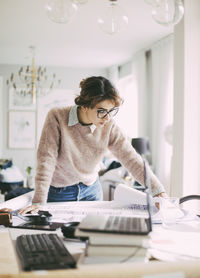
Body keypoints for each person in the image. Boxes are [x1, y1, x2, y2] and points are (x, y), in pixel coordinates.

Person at [20, 76, 167, 214]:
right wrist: (39, 201)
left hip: (91, 190)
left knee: (91, 236)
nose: (107, 117)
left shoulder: (109, 125)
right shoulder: (57, 117)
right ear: (84, 106)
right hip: (59, 192)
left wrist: (158, 191)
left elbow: (131, 158)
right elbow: (47, 159)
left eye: (111, 111)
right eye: (101, 111)